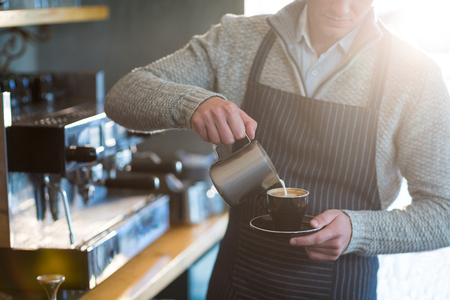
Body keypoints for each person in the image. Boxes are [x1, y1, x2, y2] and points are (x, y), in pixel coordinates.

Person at [104, 0, 450, 299]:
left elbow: (444, 213)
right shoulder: (238, 40)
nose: (341, 7)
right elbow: (122, 96)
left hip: (342, 286)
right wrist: (192, 104)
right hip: (237, 282)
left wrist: (359, 230)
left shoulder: (415, 75)